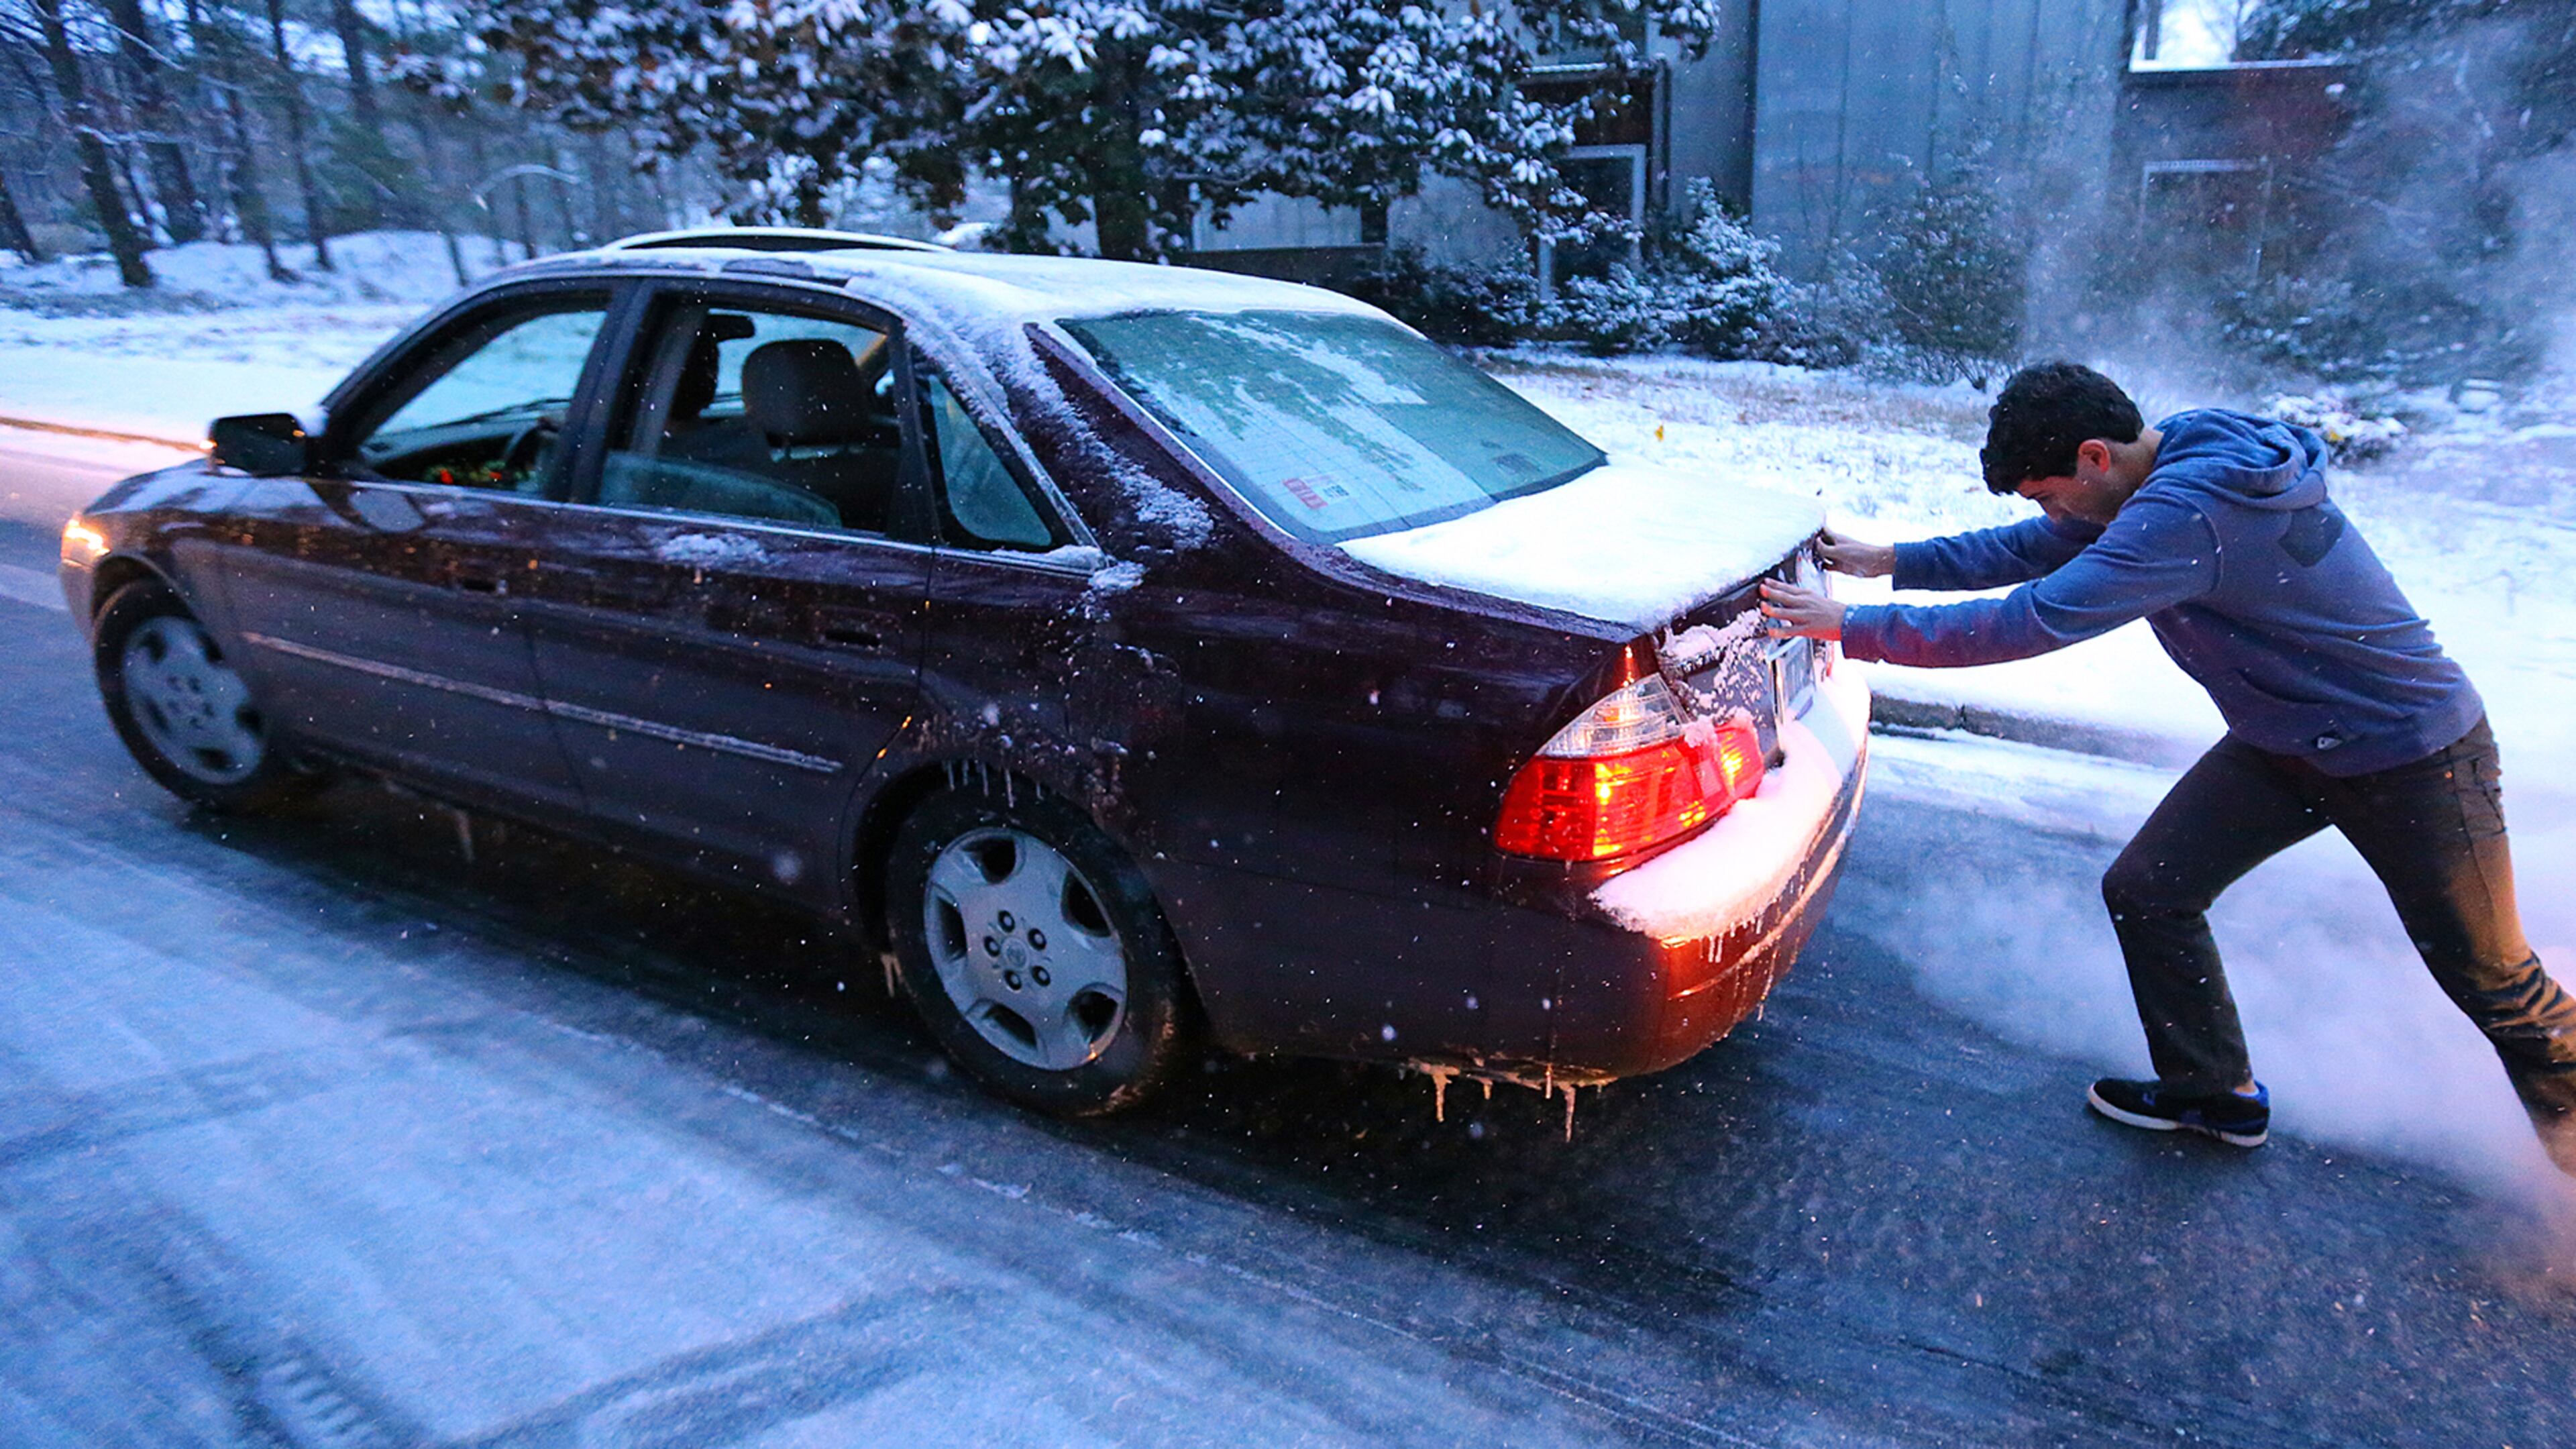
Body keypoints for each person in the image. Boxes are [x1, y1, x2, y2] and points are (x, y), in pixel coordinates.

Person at [1758, 361, 2576, 1173]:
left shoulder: (2189, 513)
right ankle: (2212, 1093)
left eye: (2049, 490)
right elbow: (2041, 544)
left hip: (2413, 753)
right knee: (2151, 889)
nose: (2051, 511)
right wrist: (1894, 559)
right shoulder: (2167, 461)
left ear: (2093, 457)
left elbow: (2032, 620)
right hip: (2285, 742)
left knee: (2494, 980)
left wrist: (1849, 626)